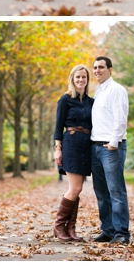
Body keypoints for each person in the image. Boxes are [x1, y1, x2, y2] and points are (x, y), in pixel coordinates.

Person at [91, 56, 130, 244]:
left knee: (116, 191)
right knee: (101, 192)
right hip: (95, 147)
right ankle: (108, 230)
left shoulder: (117, 90)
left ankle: (122, 232)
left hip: (111, 147)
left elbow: (120, 118)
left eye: (101, 67)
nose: (97, 70)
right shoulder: (98, 92)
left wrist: (114, 142)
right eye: (95, 67)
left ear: (110, 70)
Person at [52, 64, 94, 241]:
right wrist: (58, 148)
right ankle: (59, 226)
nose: (81, 80)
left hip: (87, 146)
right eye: (78, 77)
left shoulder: (92, 102)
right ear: (72, 79)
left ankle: (71, 229)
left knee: (78, 189)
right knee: (75, 188)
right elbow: (58, 125)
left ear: (87, 80)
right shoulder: (65, 99)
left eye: (83, 77)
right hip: (71, 144)